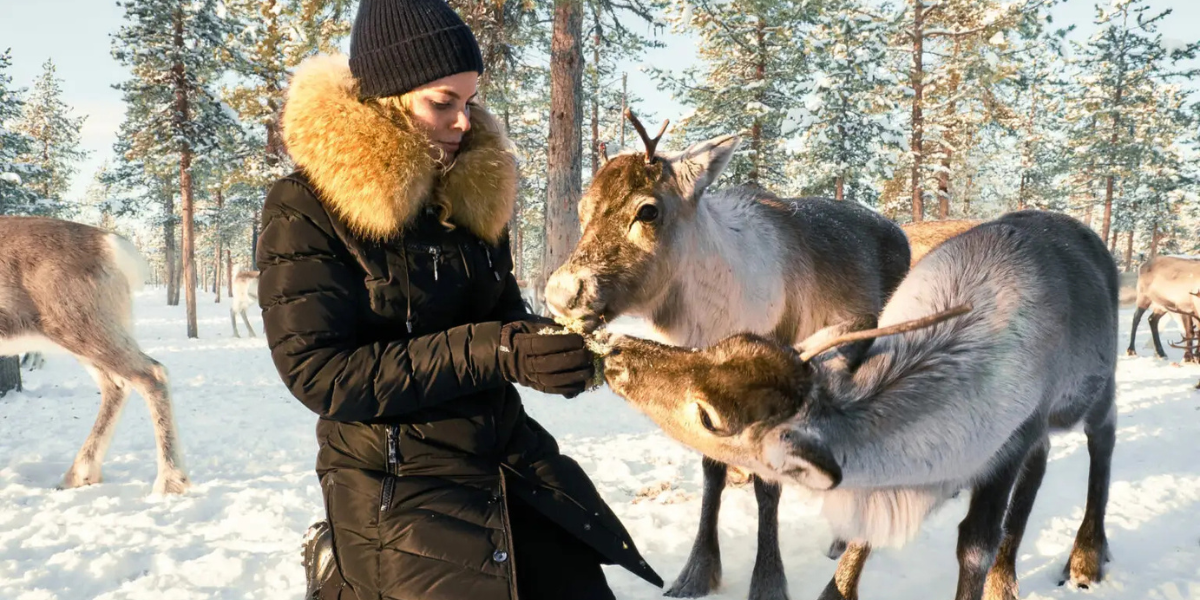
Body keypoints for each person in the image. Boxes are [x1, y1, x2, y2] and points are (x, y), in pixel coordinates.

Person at [256, 1, 663, 598]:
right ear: (384, 103)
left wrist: (543, 351)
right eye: (442, 102)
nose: (463, 121)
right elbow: (321, 374)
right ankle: (338, 567)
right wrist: (497, 351)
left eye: (469, 102)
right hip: (392, 476)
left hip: (504, 454)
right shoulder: (305, 207)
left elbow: (497, 319)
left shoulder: (469, 192)